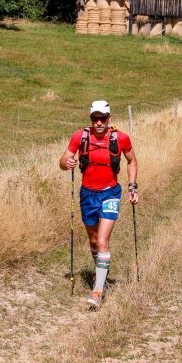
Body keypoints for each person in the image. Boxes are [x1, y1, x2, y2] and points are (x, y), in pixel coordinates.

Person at [59, 100, 139, 309]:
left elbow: (132, 161)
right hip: (87, 194)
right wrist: (66, 163)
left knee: (103, 241)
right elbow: (64, 160)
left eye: (103, 118)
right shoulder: (80, 137)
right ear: (91, 118)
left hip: (110, 193)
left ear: (109, 118)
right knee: (93, 241)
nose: (99, 122)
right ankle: (101, 270)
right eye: (95, 118)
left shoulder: (121, 138)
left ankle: (98, 292)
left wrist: (132, 187)